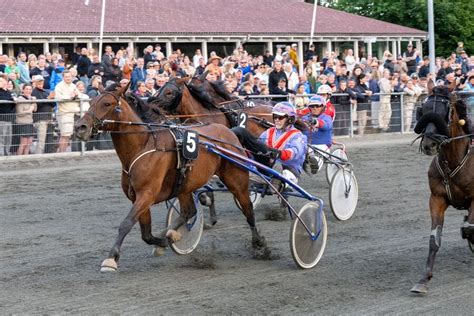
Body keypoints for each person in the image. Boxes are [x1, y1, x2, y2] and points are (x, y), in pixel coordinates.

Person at [300, 95, 333, 174]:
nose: (315, 108)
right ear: (309, 107)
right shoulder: (305, 118)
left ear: (323, 107)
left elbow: (327, 126)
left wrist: (316, 122)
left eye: (318, 106)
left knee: (315, 159)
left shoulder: (327, 117)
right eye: (312, 106)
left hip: (322, 145)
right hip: (307, 145)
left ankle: (315, 163)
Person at [54, 70, 80, 152]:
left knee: (68, 135)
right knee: (65, 135)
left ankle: (63, 153)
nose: (68, 78)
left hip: (73, 113)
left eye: (69, 76)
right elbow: (58, 98)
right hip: (64, 113)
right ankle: (61, 153)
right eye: (66, 77)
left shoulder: (73, 85)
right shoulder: (59, 86)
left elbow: (79, 95)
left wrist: (77, 95)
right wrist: (70, 96)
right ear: (63, 77)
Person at [31, 75, 55, 154]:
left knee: (49, 139)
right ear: (35, 82)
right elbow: (37, 105)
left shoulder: (45, 91)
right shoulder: (34, 92)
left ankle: (48, 154)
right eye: (39, 81)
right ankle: (38, 156)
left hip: (48, 118)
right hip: (40, 119)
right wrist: (48, 99)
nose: (41, 83)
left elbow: (53, 104)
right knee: (41, 140)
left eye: (42, 81)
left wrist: (51, 98)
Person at [15, 84, 37, 155]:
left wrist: (34, 101)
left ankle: (25, 158)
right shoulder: (20, 99)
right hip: (22, 123)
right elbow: (19, 113)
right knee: (23, 143)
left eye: (30, 89)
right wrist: (29, 110)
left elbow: (35, 109)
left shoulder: (31, 98)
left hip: (30, 122)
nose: (28, 91)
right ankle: (18, 159)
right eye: (26, 89)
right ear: (23, 90)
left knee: (29, 143)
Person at [0, 76, 15, 156]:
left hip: (9, 118)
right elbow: (3, 99)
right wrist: (12, 100)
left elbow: (12, 104)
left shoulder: (8, 92)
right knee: (1, 138)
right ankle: (1, 155)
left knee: (8, 138)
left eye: (1, 81)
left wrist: (12, 100)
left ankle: (6, 154)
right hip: (1, 119)